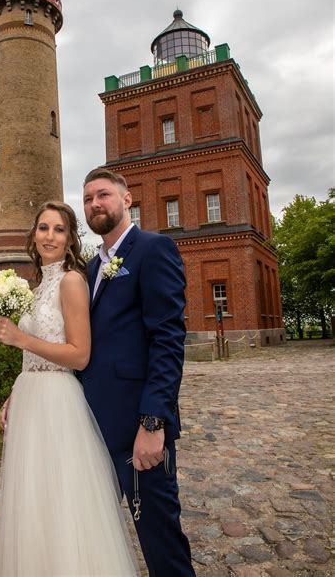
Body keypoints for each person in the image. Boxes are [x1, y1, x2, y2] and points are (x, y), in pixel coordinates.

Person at [0, 201, 138, 577]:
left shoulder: (72, 281)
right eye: (43, 228)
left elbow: (79, 354)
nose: (50, 236)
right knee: (33, 501)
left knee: (61, 501)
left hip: (58, 403)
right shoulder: (36, 286)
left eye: (58, 229)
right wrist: (15, 392)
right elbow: (38, 353)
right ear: (34, 235)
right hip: (30, 399)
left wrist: (20, 339)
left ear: (71, 238)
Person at [81, 168, 195, 577]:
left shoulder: (153, 249)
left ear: (126, 200)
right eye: (89, 198)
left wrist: (153, 422)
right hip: (92, 428)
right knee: (95, 534)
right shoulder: (91, 269)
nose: (96, 204)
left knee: (159, 537)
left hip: (138, 429)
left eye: (104, 195)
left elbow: (167, 339)